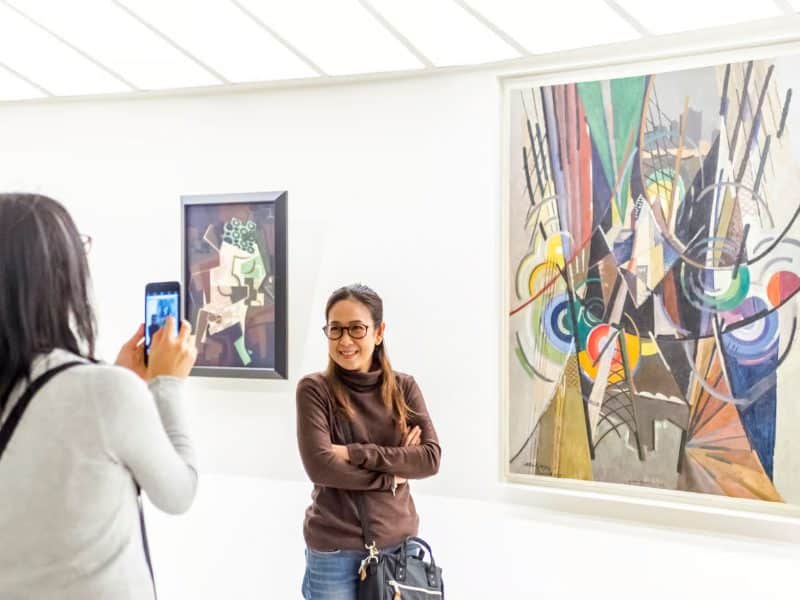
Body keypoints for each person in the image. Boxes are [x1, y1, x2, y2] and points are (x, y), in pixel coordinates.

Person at [0, 193, 198, 600]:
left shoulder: (100, 388)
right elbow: (178, 493)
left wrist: (115, 378)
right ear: (56, 273)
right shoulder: (104, 392)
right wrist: (168, 384)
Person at [296, 283, 441, 600]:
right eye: (335, 330)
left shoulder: (405, 388)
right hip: (334, 554)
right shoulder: (314, 390)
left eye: (356, 329)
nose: (345, 340)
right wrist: (394, 471)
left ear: (378, 332)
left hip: (400, 550)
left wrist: (351, 452)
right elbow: (321, 467)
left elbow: (429, 458)